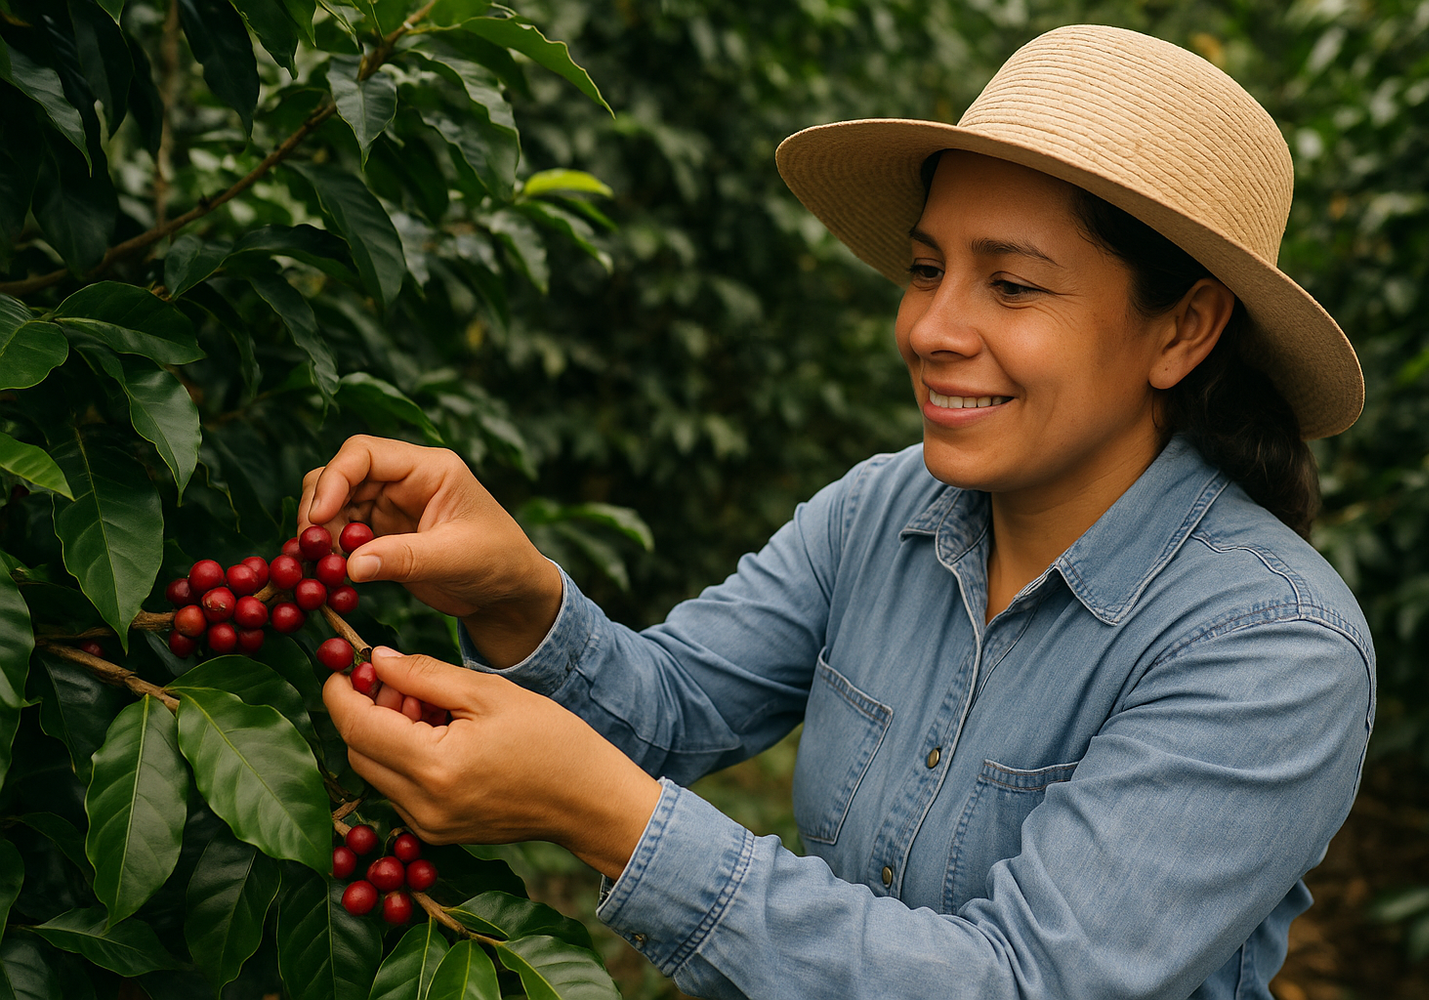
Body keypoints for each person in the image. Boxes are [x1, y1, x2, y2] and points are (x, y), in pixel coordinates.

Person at [302, 24, 1374, 1000]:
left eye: (1012, 286)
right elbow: (667, 710)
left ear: (1183, 329)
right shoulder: (884, 510)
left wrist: (611, 820)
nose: (930, 328)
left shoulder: (1270, 646)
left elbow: (1023, 983)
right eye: (925, 268)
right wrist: (517, 593)